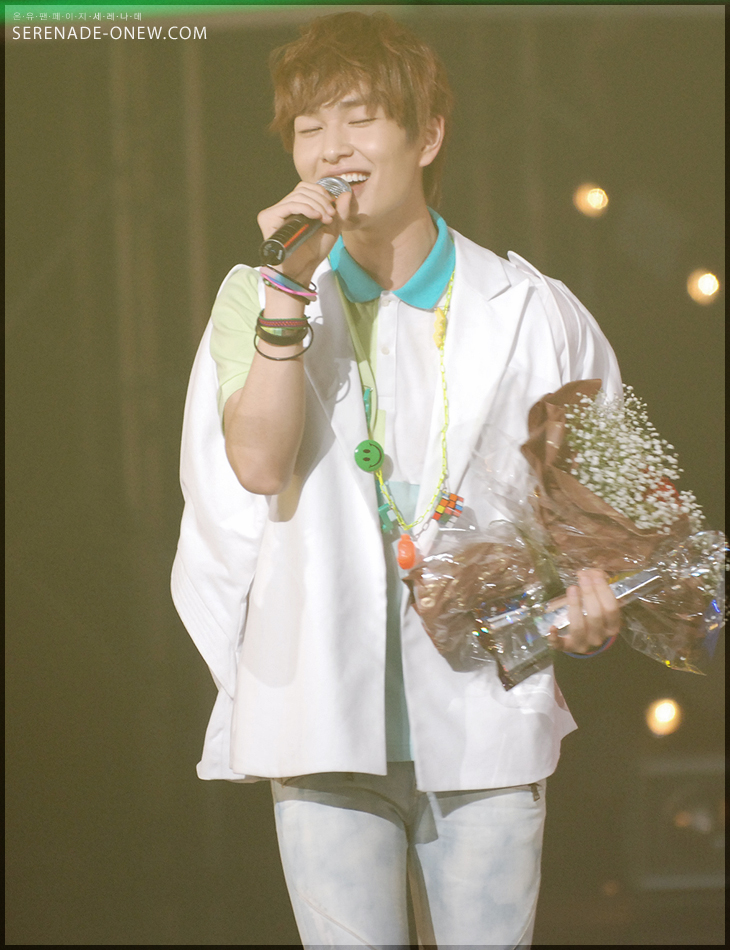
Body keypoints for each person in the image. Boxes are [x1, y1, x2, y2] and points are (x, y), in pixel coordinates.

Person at [172, 11, 622, 948]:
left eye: (360, 117)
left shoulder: (531, 310)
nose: (332, 148)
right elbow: (256, 464)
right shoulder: (262, 298)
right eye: (309, 127)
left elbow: (598, 511)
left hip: (485, 713)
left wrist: (590, 595)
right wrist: (289, 290)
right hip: (321, 718)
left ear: (428, 135)